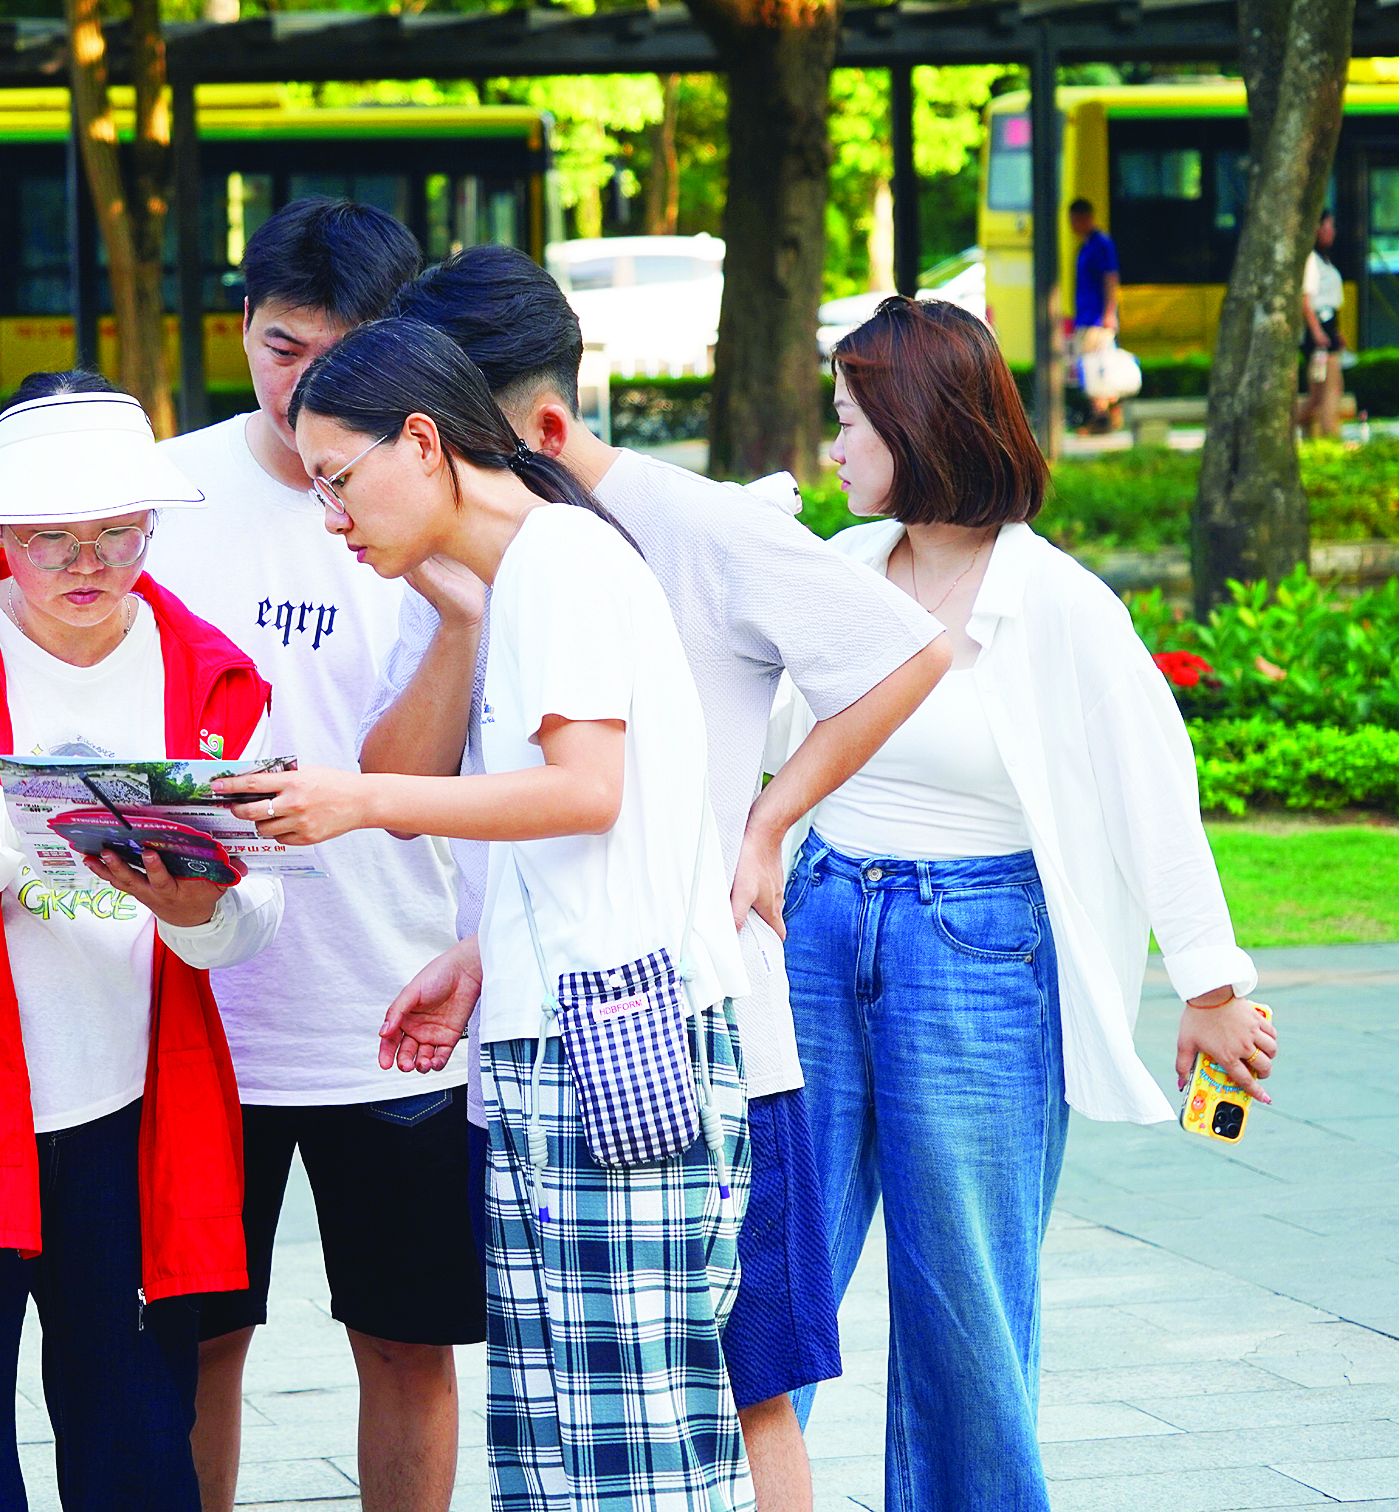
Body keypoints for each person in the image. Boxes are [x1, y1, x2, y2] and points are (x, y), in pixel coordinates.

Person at [361, 244, 952, 1512]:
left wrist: (770, 821)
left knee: (738, 1393)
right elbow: (413, 780)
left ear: (534, 427)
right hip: (539, 1025)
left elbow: (907, 652)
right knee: (576, 1414)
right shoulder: (466, 551)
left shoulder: (684, 527)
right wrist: (457, 618)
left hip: (695, 1028)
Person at [213, 316, 759, 1511]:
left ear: (423, 443)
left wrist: (359, 800)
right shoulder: (522, 575)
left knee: (627, 1449)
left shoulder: (559, 564)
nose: (331, 516)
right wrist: (480, 953)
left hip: (611, 1032)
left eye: (337, 479)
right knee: (568, 1440)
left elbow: (587, 789)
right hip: (570, 1024)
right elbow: (603, 828)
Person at [775, 298, 1277, 1511]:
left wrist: (1212, 987)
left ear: (917, 425)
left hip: (976, 952)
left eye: (849, 423)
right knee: (773, 1272)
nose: (832, 448)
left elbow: (1155, 793)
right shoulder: (841, 572)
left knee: (965, 1300)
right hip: (816, 928)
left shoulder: (1060, 605)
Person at [0, 372, 286, 1512]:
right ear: (0, 534)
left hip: (129, 1113)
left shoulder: (212, 674)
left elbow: (259, 903)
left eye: (118, 534)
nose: (88, 565)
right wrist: (31, 813)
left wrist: (199, 911)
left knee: (136, 1437)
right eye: (51, 541)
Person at [146, 200, 477, 1512]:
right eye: (283, 348)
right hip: (192, 1009)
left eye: (344, 357)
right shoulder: (160, 500)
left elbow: (454, 773)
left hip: (389, 1003)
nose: (305, 389)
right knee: (192, 1338)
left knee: (405, 1341)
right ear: (240, 328)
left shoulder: (442, 510)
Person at [1067, 199, 1126, 433]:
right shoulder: (1086, 245)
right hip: (1086, 317)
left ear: (1084, 217)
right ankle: (1108, 415)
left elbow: (1110, 278)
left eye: (1074, 220)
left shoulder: (1101, 243)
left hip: (1096, 319)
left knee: (1095, 367)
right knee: (1094, 367)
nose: (1072, 226)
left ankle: (1101, 418)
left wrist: (1110, 313)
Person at [1298, 212, 1346, 439]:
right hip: (1319, 329)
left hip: (1327, 326)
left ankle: (1290, 425)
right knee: (1332, 388)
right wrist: (1317, 331)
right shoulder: (1310, 260)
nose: (1332, 232)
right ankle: (1330, 435)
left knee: (1317, 396)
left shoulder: (1324, 260)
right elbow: (1305, 300)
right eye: (1327, 226)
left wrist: (1336, 332)